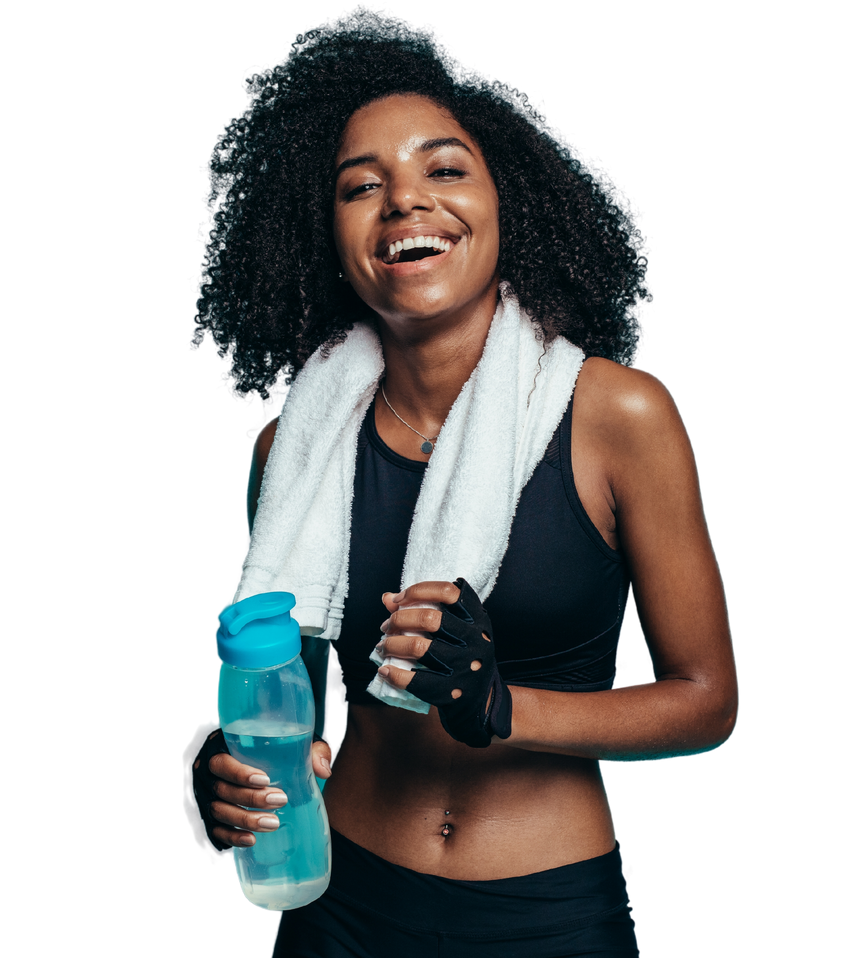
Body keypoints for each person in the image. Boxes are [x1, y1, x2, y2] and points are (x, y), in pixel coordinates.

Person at [188, 9, 737, 956]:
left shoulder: (618, 416)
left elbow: (703, 701)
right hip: (340, 901)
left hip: (544, 912)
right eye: (364, 186)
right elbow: (294, 704)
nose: (406, 202)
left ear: (508, 203)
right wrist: (221, 772)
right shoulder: (294, 445)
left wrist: (501, 707)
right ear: (327, 231)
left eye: (444, 169)